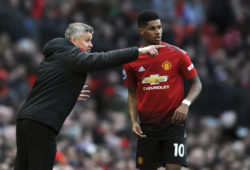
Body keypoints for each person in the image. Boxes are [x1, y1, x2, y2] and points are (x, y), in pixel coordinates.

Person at [14, 22, 164, 170]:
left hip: (25, 120)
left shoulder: (54, 56)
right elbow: (102, 59)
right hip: (42, 123)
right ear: (74, 40)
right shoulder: (73, 54)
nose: (91, 45)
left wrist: (69, 91)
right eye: (87, 40)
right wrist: (138, 52)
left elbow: (49, 85)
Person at [123, 10, 202, 170]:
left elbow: (197, 84)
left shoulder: (178, 55)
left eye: (159, 27)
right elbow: (132, 94)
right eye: (152, 28)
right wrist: (133, 121)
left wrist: (185, 103)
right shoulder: (131, 60)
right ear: (141, 31)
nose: (158, 31)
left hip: (173, 126)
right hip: (147, 129)